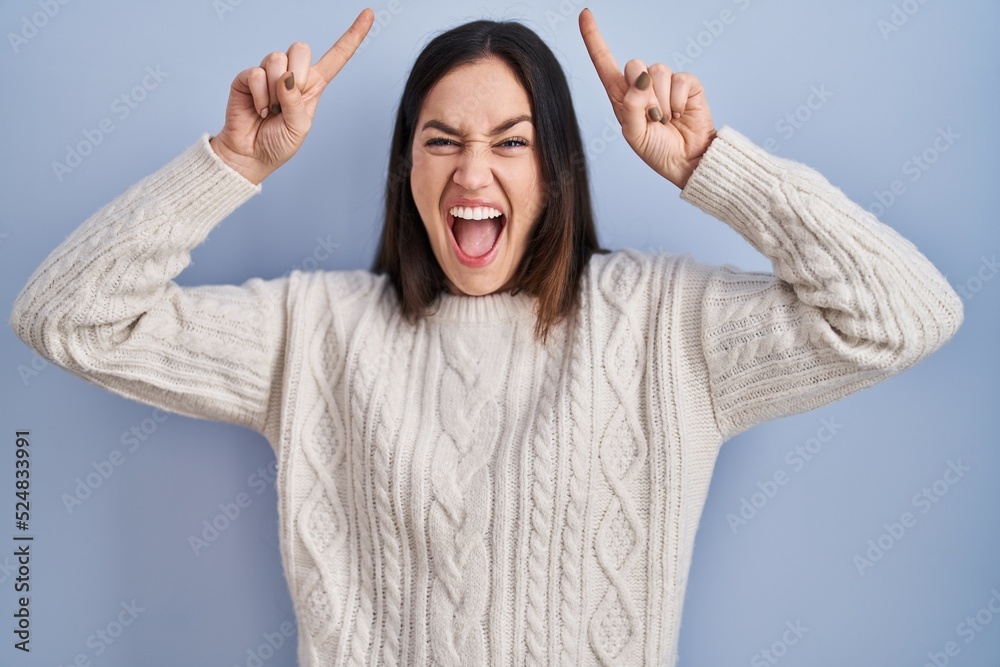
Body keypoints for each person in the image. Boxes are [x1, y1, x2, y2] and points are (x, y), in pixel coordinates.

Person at [9, 7, 962, 666]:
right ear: (407, 169)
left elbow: (907, 314)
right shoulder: (314, 330)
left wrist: (709, 164)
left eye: (511, 141)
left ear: (555, 170)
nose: (472, 173)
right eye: (441, 140)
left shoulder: (665, 326)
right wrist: (232, 161)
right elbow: (67, 316)